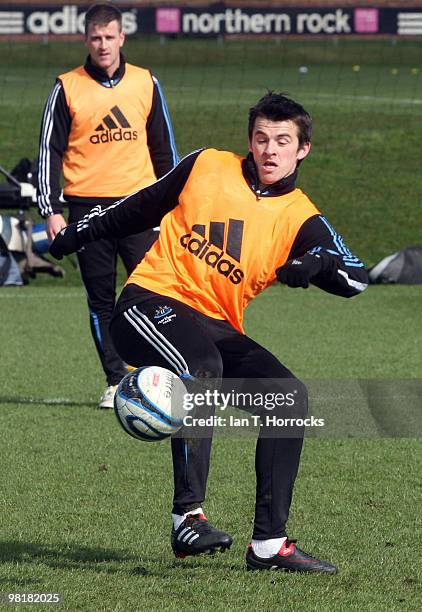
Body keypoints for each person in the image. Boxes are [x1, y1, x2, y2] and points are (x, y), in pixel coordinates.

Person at [49, 92, 368, 573]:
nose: (269, 150)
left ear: (303, 149)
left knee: (290, 398)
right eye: (261, 138)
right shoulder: (207, 164)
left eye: (283, 141)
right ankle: (187, 517)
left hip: (216, 324)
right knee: (203, 367)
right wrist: (79, 231)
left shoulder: (301, 216)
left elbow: (355, 275)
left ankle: (268, 545)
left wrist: (316, 263)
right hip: (148, 304)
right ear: (249, 140)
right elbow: (141, 206)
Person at [37, 3, 178, 408]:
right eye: (95, 38)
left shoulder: (146, 82)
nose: (103, 45)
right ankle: (117, 381)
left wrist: (173, 202)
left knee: (153, 292)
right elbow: (49, 150)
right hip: (87, 211)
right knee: (101, 298)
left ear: (122, 38)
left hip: (139, 207)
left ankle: (165, 374)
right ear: (86, 39)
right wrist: (51, 209)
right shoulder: (66, 87)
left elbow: (164, 148)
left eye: (109, 37)